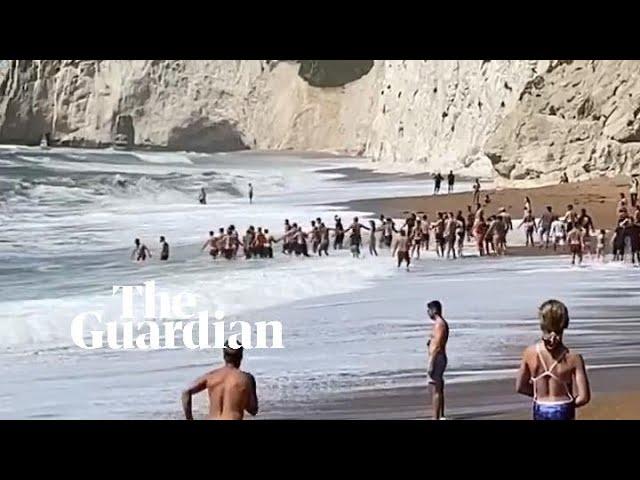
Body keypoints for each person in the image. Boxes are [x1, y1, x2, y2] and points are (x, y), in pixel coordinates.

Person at [516, 300, 590, 420]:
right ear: (565, 324)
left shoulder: (530, 353)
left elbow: (520, 387)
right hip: (563, 408)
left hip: (540, 407)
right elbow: (584, 397)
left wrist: (539, 393)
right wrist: (567, 406)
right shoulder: (573, 357)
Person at [181, 341, 258, 420]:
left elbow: (186, 392)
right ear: (241, 356)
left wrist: (189, 418)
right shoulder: (246, 378)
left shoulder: (211, 376)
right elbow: (253, 410)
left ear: (224, 356)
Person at [427, 300, 449, 420]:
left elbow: (438, 345)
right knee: (438, 386)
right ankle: (440, 415)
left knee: (436, 387)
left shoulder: (440, 324)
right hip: (438, 356)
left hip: (438, 357)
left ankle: (436, 417)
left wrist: (431, 361)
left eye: (429, 310)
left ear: (434, 310)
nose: (428, 313)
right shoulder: (438, 324)